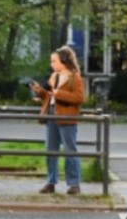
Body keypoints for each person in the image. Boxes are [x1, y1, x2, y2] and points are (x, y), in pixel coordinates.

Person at [30, 45, 86, 195]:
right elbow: (50, 95)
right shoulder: (55, 76)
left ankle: (74, 184)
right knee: (51, 151)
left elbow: (80, 98)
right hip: (51, 116)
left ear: (64, 61)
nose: (52, 64)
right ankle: (51, 182)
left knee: (70, 151)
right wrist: (40, 92)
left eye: (54, 61)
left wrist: (59, 93)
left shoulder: (75, 78)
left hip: (67, 118)